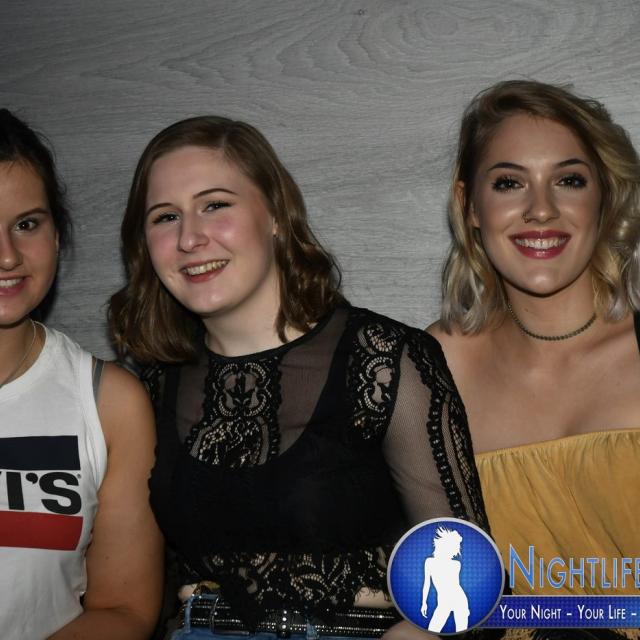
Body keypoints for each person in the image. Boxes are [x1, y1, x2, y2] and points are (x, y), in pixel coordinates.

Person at [108, 115, 490, 639]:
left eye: (215, 205)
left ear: (275, 215)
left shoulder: (383, 359)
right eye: (165, 216)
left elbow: (470, 584)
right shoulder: (148, 388)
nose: (190, 237)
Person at [429, 80, 640, 638]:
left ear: (605, 198)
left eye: (569, 180)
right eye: (509, 183)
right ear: (469, 206)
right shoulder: (435, 365)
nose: (541, 209)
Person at [0, 109, 163, 640]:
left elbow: (124, 609)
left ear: (57, 234)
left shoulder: (108, 403)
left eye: (27, 224)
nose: (7, 256)